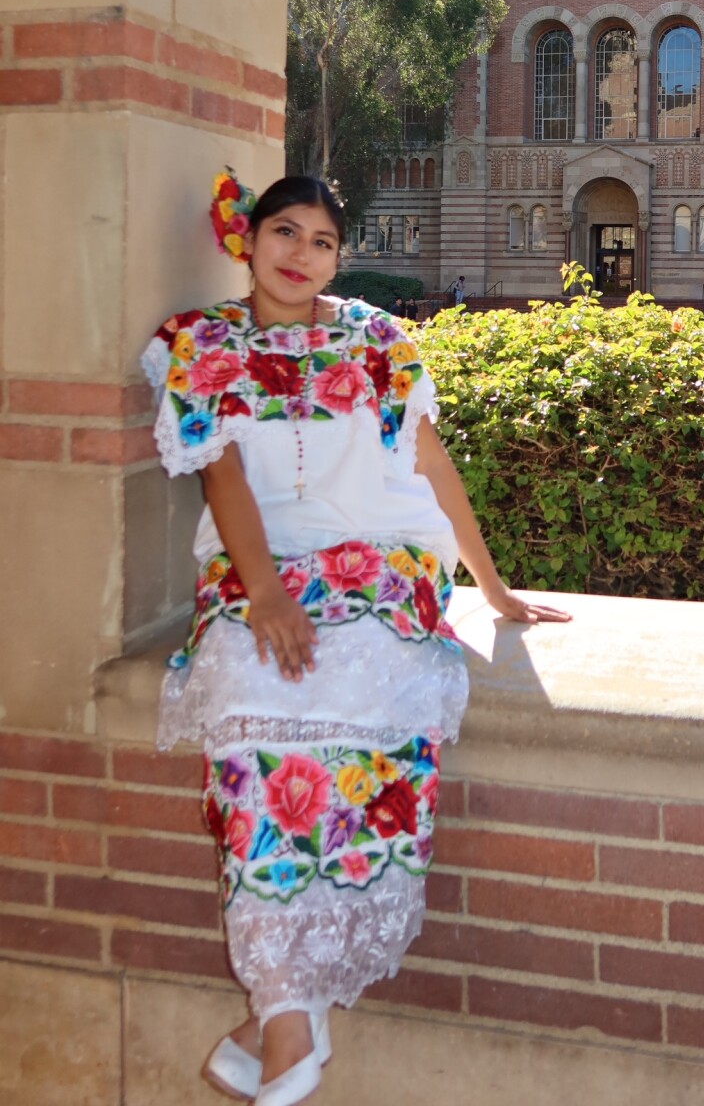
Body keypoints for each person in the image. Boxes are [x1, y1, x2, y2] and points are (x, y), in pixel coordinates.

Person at [143, 171, 568, 1106]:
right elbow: (223, 478)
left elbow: (429, 464)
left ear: (339, 258)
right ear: (248, 239)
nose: (300, 255)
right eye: (284, 232)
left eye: (322, 241)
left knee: (368, 692)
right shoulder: (201, 343)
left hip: (380, 555)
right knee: (253, 711)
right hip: (257, 566)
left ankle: (282, 1015)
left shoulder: (376, 340)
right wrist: (264, 593)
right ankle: (287, 1006)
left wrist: (492, 588)